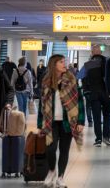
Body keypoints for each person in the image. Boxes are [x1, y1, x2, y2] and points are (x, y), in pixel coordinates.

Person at [37, 54, 85, 187]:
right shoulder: (46, 81)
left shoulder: (71, 79)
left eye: (64, 61)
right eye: (61, 62)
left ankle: (60, 177)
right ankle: (52, 170)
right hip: (50, 121)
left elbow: (79, 101)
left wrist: (81, 122)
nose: (64, 64)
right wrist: (39, 124)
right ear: (54, 65)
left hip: (68, 121)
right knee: (50, 149)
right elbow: (42, 104)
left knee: (64, 150)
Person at [80, 45, 110, 147]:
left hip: (93, 94)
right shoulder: (107, 62)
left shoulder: (87, 65)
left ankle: (98, 139)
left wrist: (86, 91)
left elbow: (83, 79)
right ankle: (106, 137)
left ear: (92, 53)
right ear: (101, 53)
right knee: (107, 115)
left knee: (96, 117)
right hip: (106, 93)